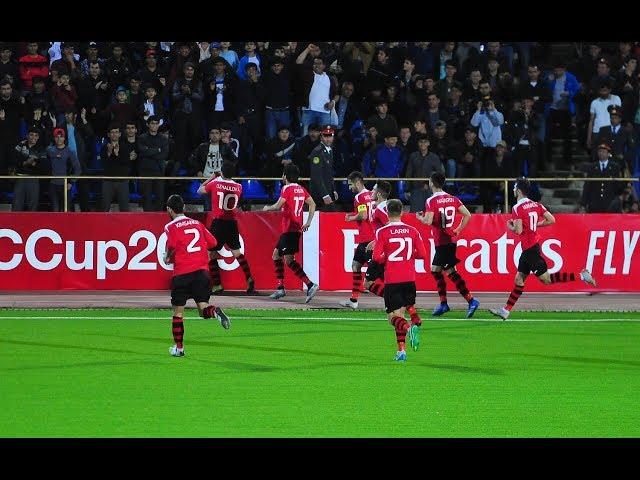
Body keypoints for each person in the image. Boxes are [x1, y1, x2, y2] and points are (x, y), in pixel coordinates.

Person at [490, 178, 597, 320]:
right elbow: (552, 219)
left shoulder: (517, 208)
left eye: (515, 187)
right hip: (530, 248)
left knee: (546, 279)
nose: (513, 190)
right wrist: (535, 225)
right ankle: (506, 310)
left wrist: (510, 227)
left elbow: (518, 230)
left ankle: (582, 276)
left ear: (519, 190)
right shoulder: (535, 205)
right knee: (519, 279)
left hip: (529, 249)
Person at [163, 194, 231, 358]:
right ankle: (215, 312)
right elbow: (214, 243)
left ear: (169, 210)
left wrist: (167, 255)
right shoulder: (198, 224)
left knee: (178, 313)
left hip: (182, 273)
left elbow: (171, 245)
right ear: (184, 207)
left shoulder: (170, 226)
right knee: (203, 310)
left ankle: (179, 348)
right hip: (202, 273)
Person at [416, 172, 480, 318]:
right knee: (446, 271)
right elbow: (467, 215)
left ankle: (468, 301)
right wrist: (457, 230)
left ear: (432, 183)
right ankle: (450, 303)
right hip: (450, 240)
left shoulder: (431, 201)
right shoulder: (453, 198)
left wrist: (420, 217)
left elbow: (427, 221)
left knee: (439, 271)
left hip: (442, 241)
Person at [372, 198, 427, 362]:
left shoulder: (382, 232)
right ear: (402, 212)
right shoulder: (413, 230)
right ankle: (401, 352)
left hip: (393, 279)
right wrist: (408, 256)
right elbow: (423, 255)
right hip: (409, 279)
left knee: (392, 319)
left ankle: (410, 328)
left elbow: (376, 257)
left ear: (387, 213)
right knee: (401, 314)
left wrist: (388, 257)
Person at [263, 164, 319, 303]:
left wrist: (267, 208)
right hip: (296, 229)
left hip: (289, 229)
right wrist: (309, 221)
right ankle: (301, 286)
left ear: (285, 176)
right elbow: (312, 204)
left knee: (276, 255)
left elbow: (278, 205)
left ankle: (286, 287)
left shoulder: (286, 188)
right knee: (288, 260)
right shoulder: (301, 189)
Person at [197, 162, 255, 295]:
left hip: (219, 223)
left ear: (221, 172)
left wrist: (212, 177)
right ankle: (249, 278)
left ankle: (217, 285)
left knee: (211, 253)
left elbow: (199, 190)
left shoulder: (216, 183)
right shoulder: (239, 187)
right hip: (232, 223)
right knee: (237, 253)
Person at [339, 171, 375, 309]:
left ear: (358, 182)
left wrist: (351, 217)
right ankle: (354, 300)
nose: (349, 188)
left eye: (350, 184)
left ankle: (396, 300)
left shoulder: (359, 197)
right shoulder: (372, 194)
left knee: (376, 276)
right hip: (369, 238)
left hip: (368, 239)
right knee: (355, 265)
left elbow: (363, 215)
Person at [363, 180, 391, 299]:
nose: (371, 192)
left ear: (379, 194)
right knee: (389, 281)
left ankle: (394, 300)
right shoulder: (386, 206)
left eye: (373, 190)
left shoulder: (381, 208)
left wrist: (376, 241)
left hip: (382, 252)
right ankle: (408, 308)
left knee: (368, 283)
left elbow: (391, 226)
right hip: (385, 251)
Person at [579, 143, 623, 213]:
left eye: (603, 152)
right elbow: (587, 185)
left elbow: (618, 186)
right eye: (599, 151)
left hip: (610, 204)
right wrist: (583, 204)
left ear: (608, 154)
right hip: (594, 204)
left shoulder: (615, 167)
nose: (601, 153)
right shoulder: (592, 167)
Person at [309, 125, 338, 211]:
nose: (328, 139)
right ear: (321, 137)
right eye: (326, 136)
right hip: (319, 194)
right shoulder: (317, 152)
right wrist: (324, 194)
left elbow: (329, 174)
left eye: (330, 136)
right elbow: (316, 175)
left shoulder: (329, 150)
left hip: (328, 191)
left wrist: (333, 190)